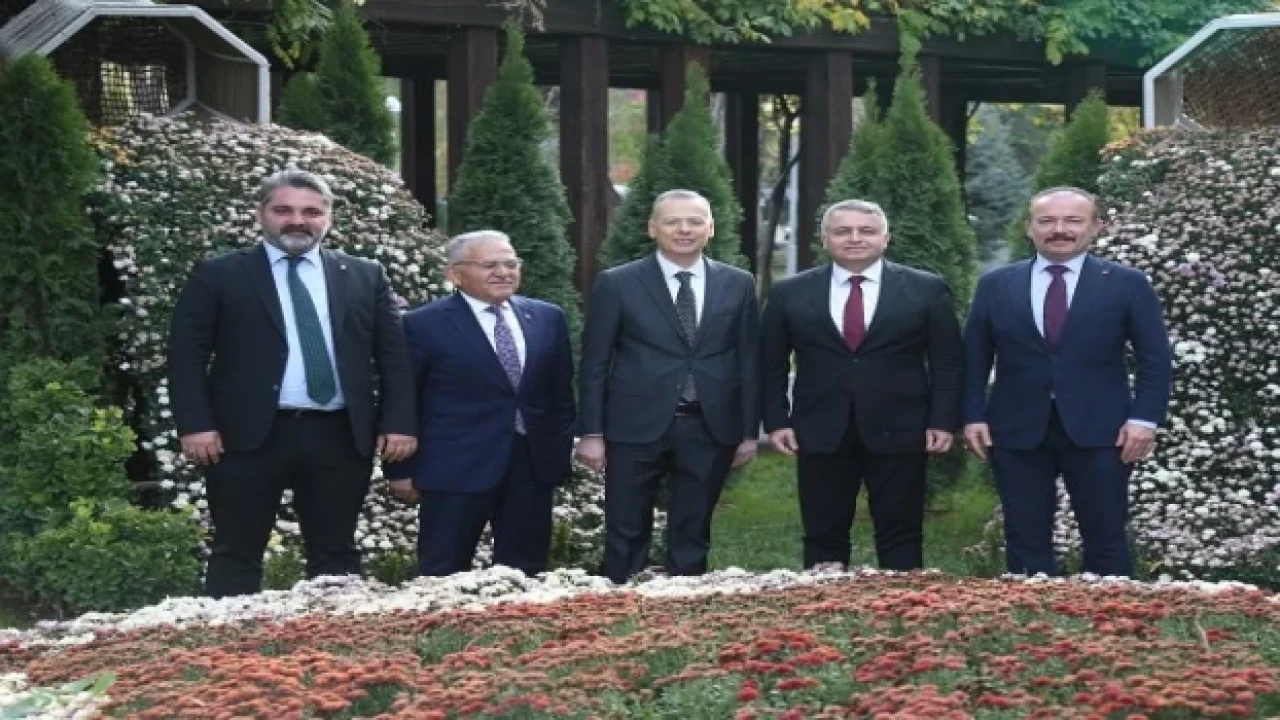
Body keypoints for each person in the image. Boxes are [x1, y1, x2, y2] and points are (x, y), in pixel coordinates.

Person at [168, 169, 417, 598]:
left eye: (311, 212)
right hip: (245, 437)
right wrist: (195, 425)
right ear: (260, 214)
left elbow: (394, 357)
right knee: (236, 551)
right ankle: (229, 638)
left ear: (328, 217)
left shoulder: (365, 275)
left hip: (338, 435)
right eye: (283, 210)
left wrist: (399, 423)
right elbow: (185, 355)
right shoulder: (219, 274)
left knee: (336, 552)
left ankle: (336, 635)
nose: (297, 221)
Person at [962, 186, 1172, 577]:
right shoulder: (996, 284)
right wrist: (972, 415)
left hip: (1104, 430)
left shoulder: (1127, 283)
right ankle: (1031, 610)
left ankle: (1112, 610)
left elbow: (1154, 358)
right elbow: (974, 356)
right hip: (1016, 428)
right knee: (1024, 534)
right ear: (1029, 228)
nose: (1059, 229)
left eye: (1073, 220)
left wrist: (1144, 419)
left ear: (1096, 227)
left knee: (1105, 533)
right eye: (1047, 221)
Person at [761, 199, 962, 571]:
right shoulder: (790, 292)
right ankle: (822, 599)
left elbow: (947, 363)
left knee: (901, 530)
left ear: (885, 238)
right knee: (823, 532)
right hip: (820, 428)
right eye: (843, 231)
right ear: (825, 239)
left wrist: (942, 421)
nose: (854, 238)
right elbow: (769, 364)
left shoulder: (927, 289)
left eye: (866, 231)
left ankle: (903, 599)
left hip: (902, 426)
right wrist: (776, 421)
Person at [577, 189, 760, 584]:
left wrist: (748, 431)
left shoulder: (738, 283)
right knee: (626, 528)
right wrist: (591, 432)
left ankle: (684, 603)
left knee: (693, 530)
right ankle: (621, 601)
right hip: (633, 425)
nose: (684, 229)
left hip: (708, 425)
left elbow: (748, 359)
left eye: (695, 221)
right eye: (672, 221)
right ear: (652, 228)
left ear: (710, 228)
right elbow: (594, 362)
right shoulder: (617, 283)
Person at [383, 231, 576, 577]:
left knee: (526, 573)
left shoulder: (547, 317)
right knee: (443, 573)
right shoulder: (421, 324)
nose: (503, 272)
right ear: (455, 274)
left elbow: (560, 395)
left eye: (510, 264)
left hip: (531, 467)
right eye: (489, 265)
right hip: (455, 469)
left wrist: (558, 456)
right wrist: (400, 470)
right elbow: (401, 396)